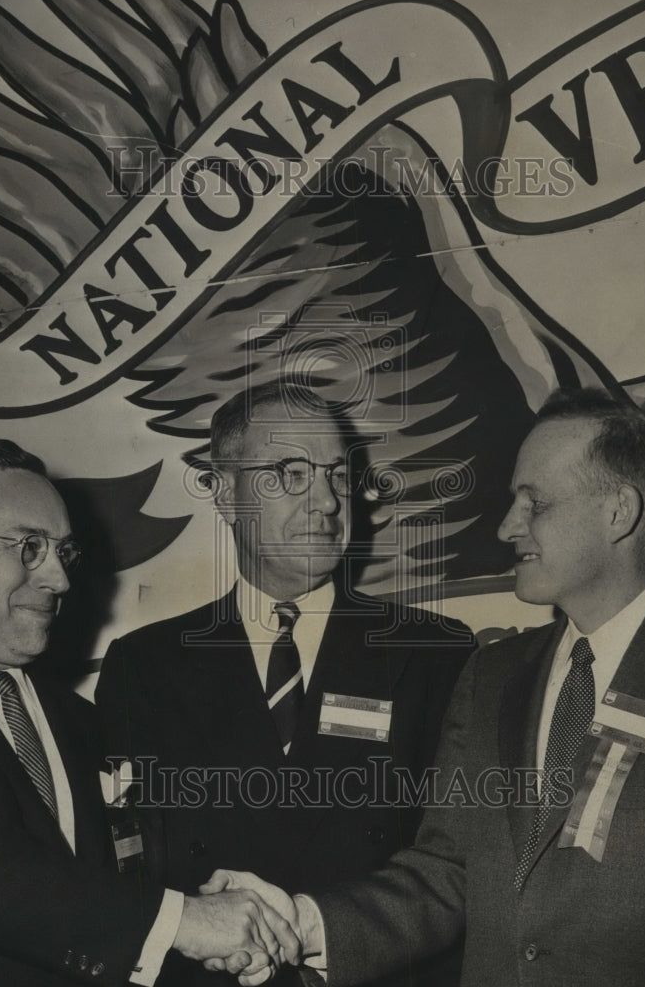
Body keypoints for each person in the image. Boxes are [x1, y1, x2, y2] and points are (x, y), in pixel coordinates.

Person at [210, 389, 645, 987]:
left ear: (618, 512)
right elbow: (447, 872)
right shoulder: (493, 675)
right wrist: (301, 920)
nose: (506, 527)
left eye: (535, 503)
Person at [0, 438, 298, 987]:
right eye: (29, 546)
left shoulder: (80, 720)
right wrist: (181, 921)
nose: (60, 579)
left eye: (63, 551)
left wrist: (224, 901)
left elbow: (124, 872)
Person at [96, 379, 473, 986]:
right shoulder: (144, 664)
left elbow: (457, 865)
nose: (326, 501)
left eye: (337, 474)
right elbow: (128, 855)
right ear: (225, 494)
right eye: (290, 473)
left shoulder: (436, 654)